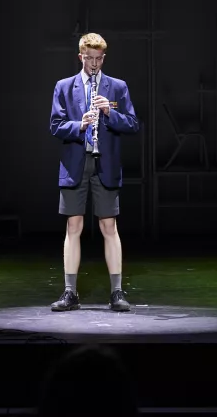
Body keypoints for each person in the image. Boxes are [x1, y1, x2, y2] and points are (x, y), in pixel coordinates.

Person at [49, 32, 139, 312]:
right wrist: (80, 125)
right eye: (89, 59)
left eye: (99, 59)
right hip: (77, 163)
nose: (94, 64)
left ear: (103, 58)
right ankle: (69, 292)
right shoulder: (64, 87)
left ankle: (117, 292)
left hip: (105, 164)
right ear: (81, 57)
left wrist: (110, 114)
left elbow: (133, 124)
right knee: (73, 226)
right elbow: (55, 125)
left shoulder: (117, 87)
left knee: (108, 227)